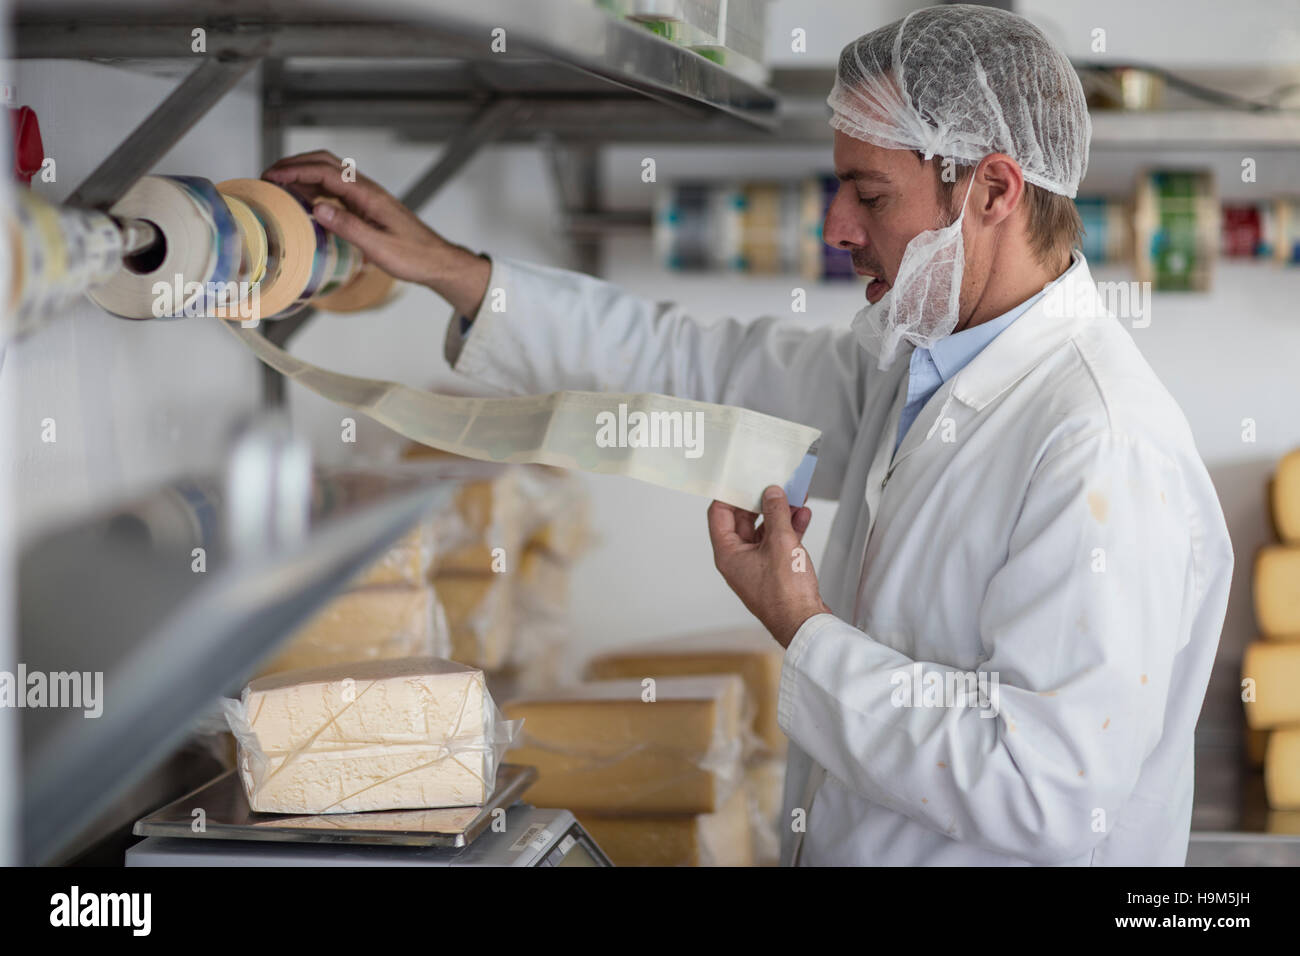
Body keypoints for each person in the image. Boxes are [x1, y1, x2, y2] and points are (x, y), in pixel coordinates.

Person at [263, 5, 1233, 866]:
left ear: (990, 190)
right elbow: (694, 371)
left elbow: (1047, 789)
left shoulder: (1097, 443)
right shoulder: (920, 369)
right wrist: (449, 268)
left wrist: (801, 627)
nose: (837, 226)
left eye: (870, 193)